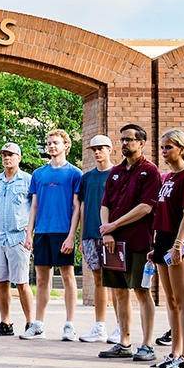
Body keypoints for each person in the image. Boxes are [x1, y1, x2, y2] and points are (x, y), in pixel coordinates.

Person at [97, 123, 163, 363]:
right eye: (122, 140)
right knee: (119, 293)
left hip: (139, 243)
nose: (124, 144)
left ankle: (147, 345)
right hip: (114, 243)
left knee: (142, 291)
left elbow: (146, 207)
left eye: (129, 140)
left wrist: (114, 226)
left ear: (141, 143)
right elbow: (105, 205)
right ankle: (124, 342)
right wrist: (106, 232)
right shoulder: (114, 172)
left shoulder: (150, 171)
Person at [149, 130, 184, 368]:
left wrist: (178, 245)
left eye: (168, 147)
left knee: (183, 300)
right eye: (162, 147)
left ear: (181, 149)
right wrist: (156, 246)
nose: (163, 152)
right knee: (170, 301)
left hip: (178, 241)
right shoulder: (167, 177)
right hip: (163, 240)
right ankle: (175, 352)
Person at [28, 129, 84, 340]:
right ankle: (38, 324)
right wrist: (28, 233)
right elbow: (34, 206)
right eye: (49, 143)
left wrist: (72, 236)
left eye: (56, 143)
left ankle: (69, 325)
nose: (51, 146)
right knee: (41, 279)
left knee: (68, 276)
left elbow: (77, 207)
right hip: (42, 231)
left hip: (63, 231)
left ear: (65, 146)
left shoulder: (74, 174)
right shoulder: (38, 174)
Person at [0, 143, 34, 337]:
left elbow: (35, 206)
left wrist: (30, 231)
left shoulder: (28, 180)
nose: (6, 158)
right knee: (1, 281)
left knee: (22, 282)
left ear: (19, 157)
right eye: (4, 155)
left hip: (18, 237)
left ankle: (31, 323)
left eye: (11, 154)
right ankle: (5, 323)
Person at [75, 136, 117, 344]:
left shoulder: (117, 174)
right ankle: (100, 326)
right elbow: (82, 207)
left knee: (116, 281)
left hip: (112, 235)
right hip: (91, 234)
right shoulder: (87, 178)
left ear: (110, 149)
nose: (97, 152)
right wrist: (82, 237)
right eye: (94, 149)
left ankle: (121, 326)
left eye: (101, 148)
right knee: (98, 280)